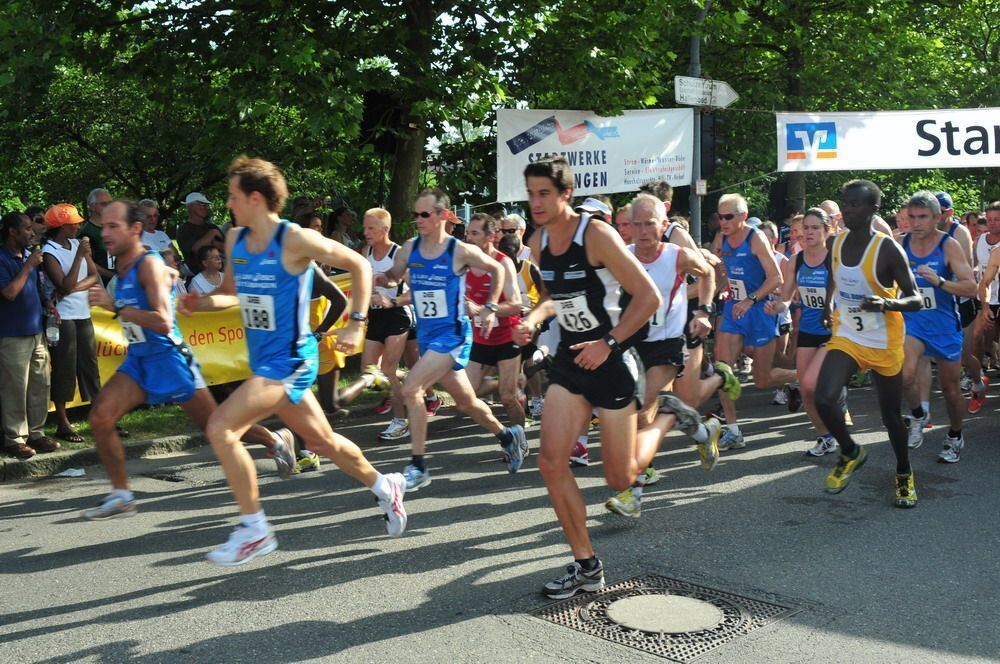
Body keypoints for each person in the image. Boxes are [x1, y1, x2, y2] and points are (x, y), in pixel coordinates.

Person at [180, 157, 407, 566]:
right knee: (324, 442)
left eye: (233, 196)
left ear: (254, 198)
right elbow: (231, 293)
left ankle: (254, 529)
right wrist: (198, 302)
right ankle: (385, 484)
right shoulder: (234, 240)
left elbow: (357, 264)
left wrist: (357, 323)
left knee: (220, 426)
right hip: (264, 361)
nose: (228, 204)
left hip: (290, 360)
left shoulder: (294, 239)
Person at [513, 155, 686, 599]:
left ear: (565, 194)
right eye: (531, 193)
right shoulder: (537, 241)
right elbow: (554, 295)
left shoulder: (597, 234)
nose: (535, 202)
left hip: (611, 361)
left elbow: (647, 298)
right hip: (571, 365)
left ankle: (666, 414)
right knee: (550, 463)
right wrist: (534, 317)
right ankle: (586, 565)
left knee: (620, 478)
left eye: (544, 194)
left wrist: (606, 343)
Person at [82, 199, 298, 519]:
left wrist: (115, 307)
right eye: (103, 225)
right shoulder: (124, 268)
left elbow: (163, 321)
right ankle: (122, 495)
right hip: (140, 359)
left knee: (214, 425)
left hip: (170, 359)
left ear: (136, 229)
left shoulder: (148, 265)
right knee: (100, 417)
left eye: (114, 226)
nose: (106, 233)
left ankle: (275, 439)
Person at [373, 188, 527, 490]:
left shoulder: (458, 250)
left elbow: (496, 269)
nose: (418, 219)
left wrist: (491, 307)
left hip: (453, 334)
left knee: (411, 388)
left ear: (443, 216)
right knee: (467, 401)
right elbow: (393, 274)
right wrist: (381, 280)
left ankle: (418, 465)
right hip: (429, 337)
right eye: (416, 214)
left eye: (425, 214)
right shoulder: (409, 248)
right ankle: (508, 436)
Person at [603, 194, 730, 518]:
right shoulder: (622, 255)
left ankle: (632, 493)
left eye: (650, 224)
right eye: (637, 224)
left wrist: (703, 310)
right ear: (627, 227)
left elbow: (708, 275)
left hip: (667, 344)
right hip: (632, 344)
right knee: (642, 415)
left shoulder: (677, 256)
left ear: (663, 225)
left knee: (639, 404)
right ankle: (701, 431)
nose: (643, 231)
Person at [814, 180, 922, 508]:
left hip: (884, 340)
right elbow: (835, 276)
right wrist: (827, 305)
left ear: (873, 209)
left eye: (856, 205)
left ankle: (904, 473)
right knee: (823, 397)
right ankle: (850, 451)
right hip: (848, 335)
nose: (847, 210)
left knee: (890, 416)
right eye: (845, 204)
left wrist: (886, 304)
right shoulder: (835, 242)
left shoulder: (887, 249)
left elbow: (915, 299)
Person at [714, 194, 798, 449]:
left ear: (742, 216)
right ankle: (733, 430)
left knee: (762, 380)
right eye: (720, 217)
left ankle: (803, 378)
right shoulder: (721, 239)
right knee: (723, 371)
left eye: (729, 217)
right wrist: (713, 293)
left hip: (759, 311)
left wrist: (750, 299)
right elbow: (720, 274)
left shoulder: (755, 238)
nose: (723, 222)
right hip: (734, 310)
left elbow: (776, 278)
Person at [899, 192, 977, 461]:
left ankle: (955, 434)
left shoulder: (949, 245)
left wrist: (940, 282)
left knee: (950, 389)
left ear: (936, 218)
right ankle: (919, 414)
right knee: (905, 374)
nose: (916, 223)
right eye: (912, 217)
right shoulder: (901, 244)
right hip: (914, 323)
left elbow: (971, 287)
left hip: (944, 325)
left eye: (923, 217)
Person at [767, 208, 841, 455]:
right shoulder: (796, 261)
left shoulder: (835, 257)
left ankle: (837, 414)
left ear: (826, 231)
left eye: (814, 228)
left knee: (810, 384)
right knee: (806, 390)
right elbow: (787, 297)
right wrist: (776, 306)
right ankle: (825, 436)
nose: (808, 233)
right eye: (805, 228)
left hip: (834, 330)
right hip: (809, 329)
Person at [41, 203, 102, 443]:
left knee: (90, 365)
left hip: (82, 312)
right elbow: (62, 285)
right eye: (74, 222)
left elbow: (93, 276)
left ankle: (100, 416)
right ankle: (63, 422)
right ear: (61, 226)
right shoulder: (49, 252)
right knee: (65, 368)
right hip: (62, 317)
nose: (78, 225)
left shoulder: (78, 243)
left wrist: (72, 286)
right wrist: (78, 260)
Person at [0, 212, 59, 459]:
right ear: (12, 232)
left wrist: (48, 305)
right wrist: (28, 266)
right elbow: (9, 293)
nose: (32, 233)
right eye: (26, 229)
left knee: (40, 383)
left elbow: (33, 289)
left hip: (36, 331)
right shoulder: (3, 258)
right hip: (12, 334)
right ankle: (14, 438)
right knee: (15, 387)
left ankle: (37, 433)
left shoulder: (29, 256)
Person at [463, 213, 525, 427]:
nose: (469, 238)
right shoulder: (465, 262)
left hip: (507, 337)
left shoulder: (503, 263)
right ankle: (505, 384)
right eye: (467, 233)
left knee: (508, 398)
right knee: (465, 396)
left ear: (490, 236)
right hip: (481, 339)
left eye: (474, 233)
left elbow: (516, 304)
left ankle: (520, 437)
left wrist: (482, 309)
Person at [356, 208, 413, 440]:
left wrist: (392, 300)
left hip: (398, 315)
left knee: (387, 370)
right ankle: (407, 379)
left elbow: (416, 291)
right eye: (365, 227)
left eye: (371, 228)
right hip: (375, 316)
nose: (366, 232)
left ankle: (400, 421)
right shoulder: (366, 251)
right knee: (368, 371)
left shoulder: (398, 253)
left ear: (385, 229)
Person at [971, 201, 1000, 412]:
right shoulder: (980, 240)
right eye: (989, 219)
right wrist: (985, 304)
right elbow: (983, 277)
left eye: (997, 219)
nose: (992, 223)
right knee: (975, 338)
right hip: (986, 299)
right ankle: (978, 383)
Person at [176, 192, 224, 275]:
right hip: (198, 275)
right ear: (190, 207)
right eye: (201, 204)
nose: (205, 207)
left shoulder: (212, 226)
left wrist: (210, 243)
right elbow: (196, 248)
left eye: (206, 205)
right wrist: (212, 234)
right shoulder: (184, 230)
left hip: (220, 273)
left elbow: (226, 248)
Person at [78, 188, 116, 283]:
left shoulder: (116, 226)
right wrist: (113, 276)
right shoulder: (86, 232)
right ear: (92, 206)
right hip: (102, 284)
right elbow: (87, 262)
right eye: (104, 204)